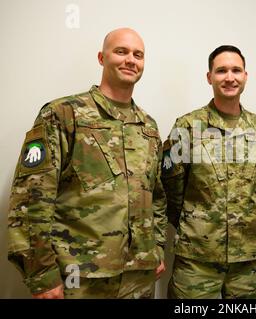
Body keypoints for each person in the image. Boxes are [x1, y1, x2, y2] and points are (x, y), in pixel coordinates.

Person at [7, 28, 167, 299]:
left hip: (139, 278)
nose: (131, 60)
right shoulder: (63, 114)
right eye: (121, 51)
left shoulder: (148, 127)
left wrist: (158, 247)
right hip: (79, 279)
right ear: (101, 58)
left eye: (137, 55)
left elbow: (158, 197)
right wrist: (41, 275)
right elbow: (31, 199)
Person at [161, 45, 256, 299]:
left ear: (246, 76)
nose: (229, 77)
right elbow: (170, 187)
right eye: (221, 70)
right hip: (196, 259)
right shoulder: (187, 127)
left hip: (248, 261)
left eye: (236, 70)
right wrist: (197, 223)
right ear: (209, 77)